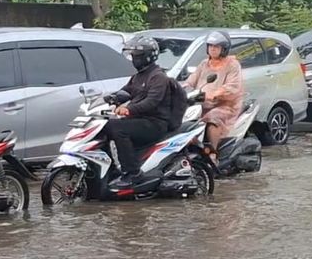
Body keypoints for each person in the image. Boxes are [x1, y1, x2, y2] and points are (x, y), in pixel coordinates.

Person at [103, 36, 176, 188]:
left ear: (147, 57)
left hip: (155, 123)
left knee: (117, 128)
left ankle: (133, 173)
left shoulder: (158, 77)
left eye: (136, 56)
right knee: (105, 127)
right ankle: (110, 170)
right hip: (140, 120)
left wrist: (128, 109)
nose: (134, 59)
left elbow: (151, 102)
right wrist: (112, 98)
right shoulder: (138, 76)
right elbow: (126, 92)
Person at [185, 31, 244, 162]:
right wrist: (181, 89)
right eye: (210, 45)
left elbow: (233, 86)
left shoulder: (232, 65)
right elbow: (190, 81)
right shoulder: (204, 64)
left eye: (216, 46)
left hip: (225, 105)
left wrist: (214, 94)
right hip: (200, 104)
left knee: (212, 119)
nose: (212, 48)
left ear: (224, 49)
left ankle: (213, 154)